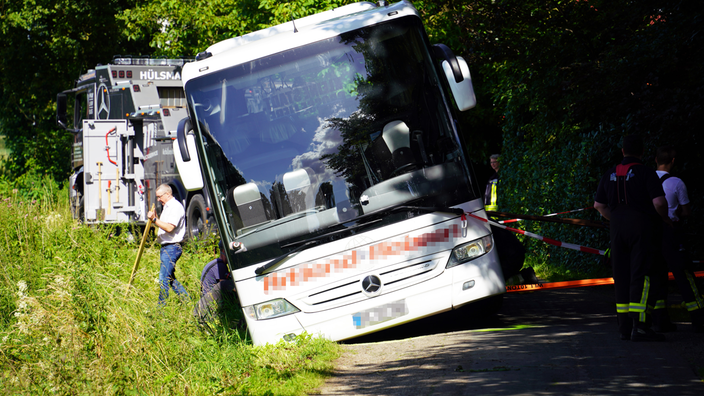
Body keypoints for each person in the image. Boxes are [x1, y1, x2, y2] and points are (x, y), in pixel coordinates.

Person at [594, 135, 672, 342]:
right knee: (643, 274)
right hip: (642, 228)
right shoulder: (646, 173)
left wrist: (617, 219)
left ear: (622, 151)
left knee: (621, 275)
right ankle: (642, 326)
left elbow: (599, 206)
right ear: (643, 152)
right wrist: (664, 219)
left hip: (617, 230)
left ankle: (624, 328)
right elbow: (659, 203)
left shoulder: (609, 173)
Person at [653, 145, 703, 333]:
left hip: (652, 233)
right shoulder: (676, 183)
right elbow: (687, 211)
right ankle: (698, 317)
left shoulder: (645, 180)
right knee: (683, 274)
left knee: (657, 274)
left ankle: (659, 319)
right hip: (671, 232)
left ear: (655, 160)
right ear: (673, 162)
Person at [147, 184, 189, 304]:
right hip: (167, 247)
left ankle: (161, 309)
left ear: (167, 194)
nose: (158, 200)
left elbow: (170, 227)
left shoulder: (175, 207)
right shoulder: (168, 206)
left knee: (163, 278)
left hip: (172, 247)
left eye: (160, 197)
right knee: (170, 279)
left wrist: (155, 220)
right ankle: (187, 302)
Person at [194, 241, 236, 323]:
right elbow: (226, 288)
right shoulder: (220, 265)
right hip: (209, 304)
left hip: (207, 301)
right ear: (224, 251)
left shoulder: (216, 263)